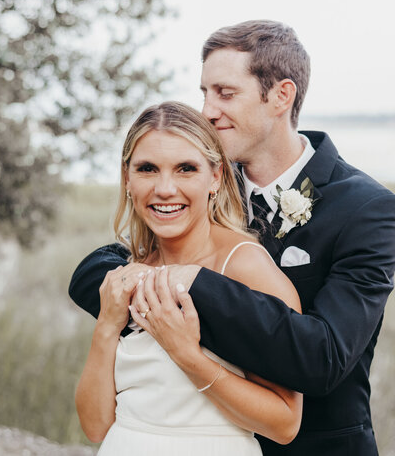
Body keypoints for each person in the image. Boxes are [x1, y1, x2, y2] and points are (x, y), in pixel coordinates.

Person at [70, 20, 395, 456]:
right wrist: (153, 286)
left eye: (225, 94)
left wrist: (192, 286)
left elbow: (323, 357)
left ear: (281, 96)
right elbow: (111, 265)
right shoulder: (199, 183)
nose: (208, 110)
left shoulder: (367, 209)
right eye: (204, 93)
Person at [74, 101, 303, 455]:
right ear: (127, 179)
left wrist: (186, 353)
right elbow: (95, 426)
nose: (165, 189)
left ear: (215, 177)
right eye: (147, 169)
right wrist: (107, 324)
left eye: (185, 169)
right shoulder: (131, 269)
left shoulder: (245, 267)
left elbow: (285, 424)